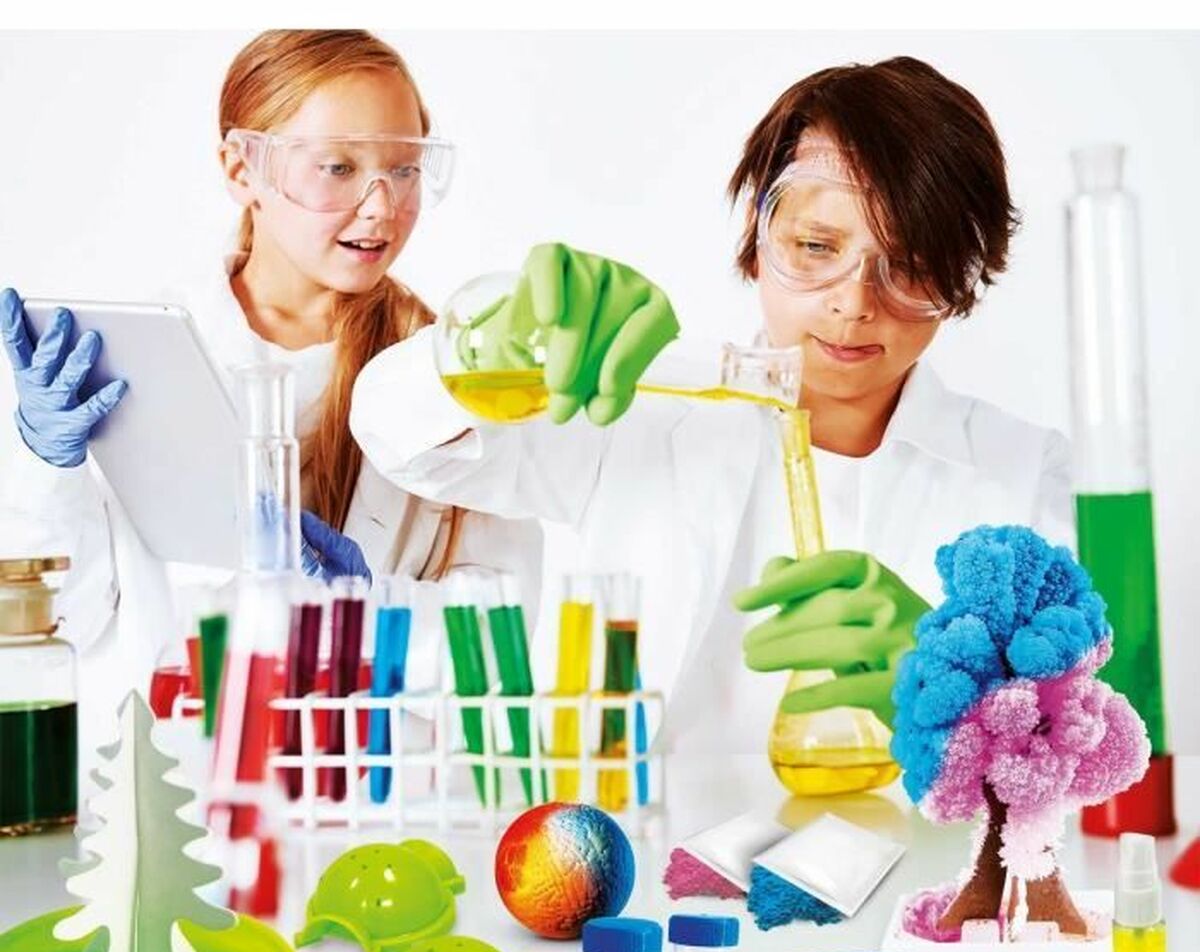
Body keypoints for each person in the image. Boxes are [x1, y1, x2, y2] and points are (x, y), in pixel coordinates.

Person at [350, 55, 1071, 755]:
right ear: (759, 237)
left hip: (920, 840)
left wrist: (968, 692)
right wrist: (502, 336)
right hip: (640, 834)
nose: (854, 303)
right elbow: (396, 434)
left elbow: (1094, 737)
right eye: (815, 246)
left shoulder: (1029, 475)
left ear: (964, 276)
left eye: (909, 266)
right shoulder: (634, 416)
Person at [0, 29, 541, 755]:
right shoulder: (141, 354)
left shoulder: (456, 377)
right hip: (168, 787)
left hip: (369, 795)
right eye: (338, 167)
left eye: (405, 169)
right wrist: (47, 467)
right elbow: (63, 618)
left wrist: (364, 612)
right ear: (241, 168)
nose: (381, 207)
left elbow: (502, 650)